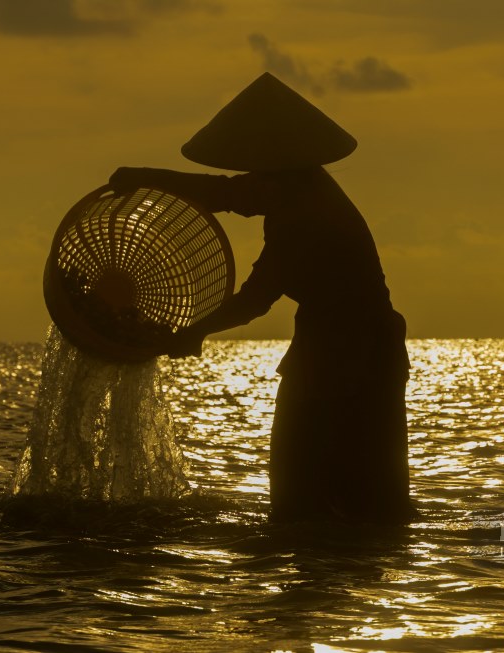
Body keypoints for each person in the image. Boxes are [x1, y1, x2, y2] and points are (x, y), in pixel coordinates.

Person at [109, 72, 410, 523]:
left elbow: (255, 299)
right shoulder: (298, 186)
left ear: (274, 169)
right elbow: (224, 193)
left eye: (256, 172)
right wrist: (143, 178)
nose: (248, 185)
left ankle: (325, 569)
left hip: (355, 357)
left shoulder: (305, 215)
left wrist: (194, 333)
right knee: (355, 495)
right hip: (335, 350)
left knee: (319, 492)